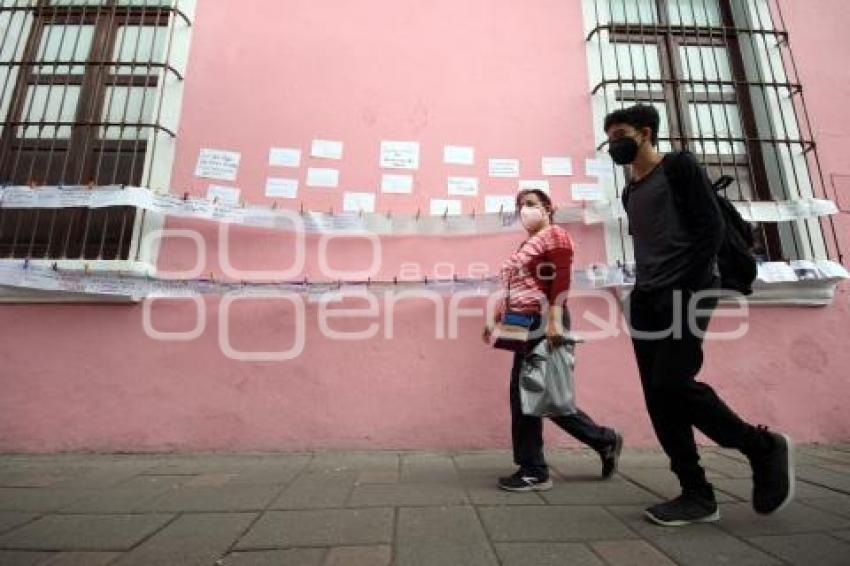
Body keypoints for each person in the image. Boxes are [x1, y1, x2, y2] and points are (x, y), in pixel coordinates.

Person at [604, 104, 794, 526]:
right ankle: (696, 493)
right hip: (648, 298)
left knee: (672, 382)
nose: (614, 143)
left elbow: (710, 229)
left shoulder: (679, 165)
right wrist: (641, 293)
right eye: (610, 137)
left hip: (689, 291)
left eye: (621, 134)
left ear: (646, 132)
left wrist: (687, 287)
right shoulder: (630, 189)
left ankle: (760, 446)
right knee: (658, 396)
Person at [483, 188, 623, 492]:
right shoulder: (529, 244)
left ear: (548, 208)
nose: (524, 210)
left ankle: (534, 469)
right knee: (535, 394)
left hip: (543, 319)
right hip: (523, 321)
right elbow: (516, 287)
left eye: (531, 204)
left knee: (529, 394)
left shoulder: (555, 235)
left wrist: (556, 320)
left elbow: (560, 278)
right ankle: (603, 440)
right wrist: (496, 318)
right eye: (520, 205)